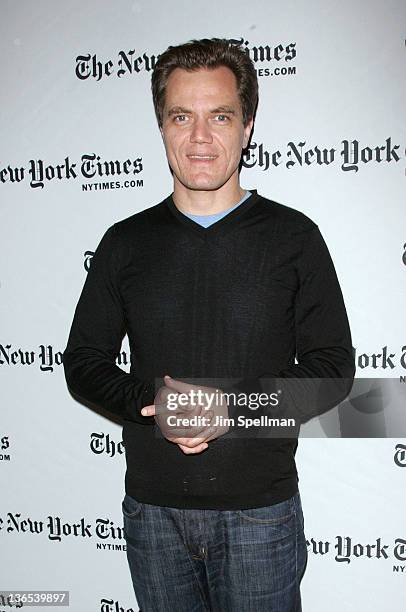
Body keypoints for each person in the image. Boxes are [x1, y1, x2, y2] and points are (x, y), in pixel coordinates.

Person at [63, 38, 355, 611]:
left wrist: (229, 409)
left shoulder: (295, 238)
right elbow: (84, 364)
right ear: (162, 126)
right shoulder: (124, 243)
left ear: (247, 126)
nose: (199, 138)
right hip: (153, 517)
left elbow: (333, 371)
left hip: (260, 519)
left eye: (219, 116)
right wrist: (151, 404)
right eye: (181, 117)